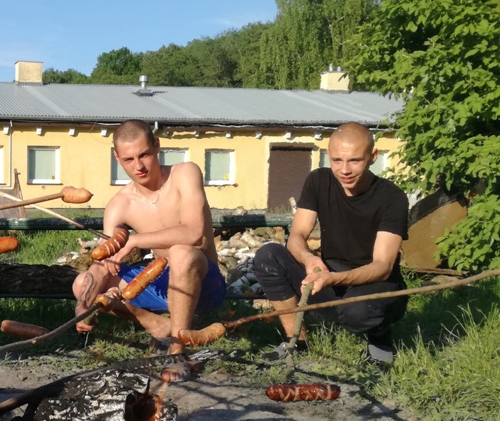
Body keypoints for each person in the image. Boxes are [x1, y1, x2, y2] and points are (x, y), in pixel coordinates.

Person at [252, 122, 408, 365]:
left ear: (373, 157)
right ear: (328, 156)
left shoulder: (392, 197)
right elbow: (296, 236)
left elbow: (383, 266)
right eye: (337, 160)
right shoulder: (318, 180)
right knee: (268, 256)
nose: (344, 170)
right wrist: (308, 258)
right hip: (330, 273)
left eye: (354, 161)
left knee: (356, 313)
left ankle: (380, 338)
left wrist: (333, 279)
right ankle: (296, 341)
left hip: (377, 283)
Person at [72, 119, 226, 353]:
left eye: (144, 155)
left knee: (181, 252)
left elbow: (193, 233)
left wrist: (134, 240)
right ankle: (155, 323)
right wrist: (82, 307)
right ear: (117, 158)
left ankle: (176, 350)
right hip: (161, 284)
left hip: (205, 283)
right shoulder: (119, 204)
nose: (139, 166)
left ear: (157, 145)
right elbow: (103, 264)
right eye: (128, 159)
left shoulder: (185, 173)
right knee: (82, 284)